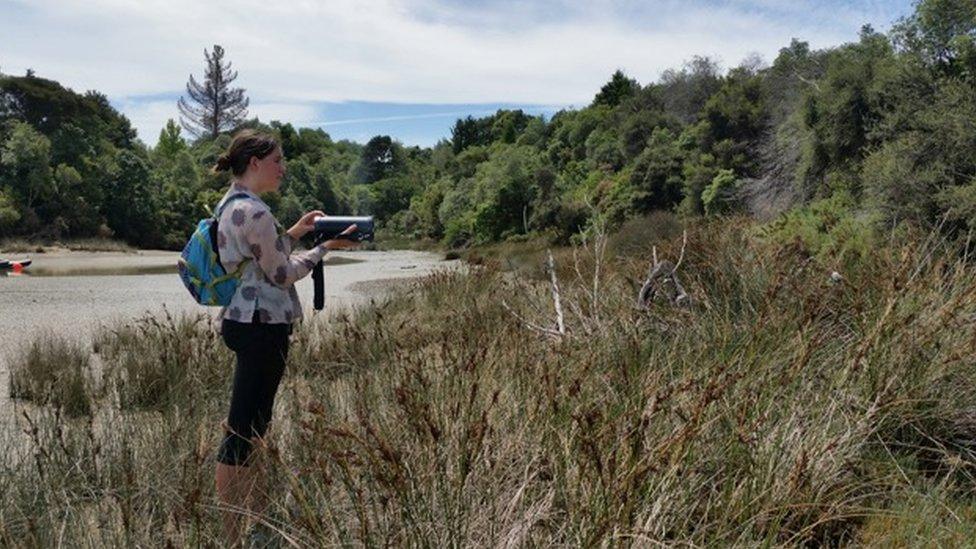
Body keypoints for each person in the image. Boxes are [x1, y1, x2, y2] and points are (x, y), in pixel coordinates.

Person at [210, 129, 357, 544]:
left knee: (252, 426)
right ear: (255, 163)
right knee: (243, 429)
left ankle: (251, 518)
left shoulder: (235, 204)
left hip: (245, 320)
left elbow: (264, 255)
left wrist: (294, 231)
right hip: (260, 325)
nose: (283, 168)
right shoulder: (253, 212)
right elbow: (281, 273)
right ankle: (233, 531)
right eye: (277, 160)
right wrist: (324, 247)